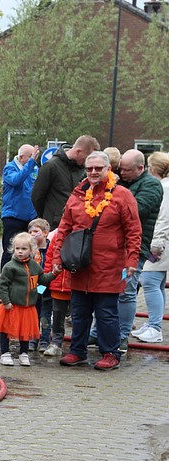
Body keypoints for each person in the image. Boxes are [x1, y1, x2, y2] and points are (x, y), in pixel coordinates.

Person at [51, 151, 141, 371]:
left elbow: (133, 231)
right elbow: (63, 229)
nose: (93, 172)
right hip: (80, 266)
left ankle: (111, 353)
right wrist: (56, 257)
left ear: (108, 169)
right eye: (90, 168)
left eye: (98, 168)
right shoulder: (77, 195)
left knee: (106, 313)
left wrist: (131, 261)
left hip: (109, 266)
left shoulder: (121, 195)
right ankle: (77, 351)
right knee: (80, 312)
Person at [115, 149, 164, 350]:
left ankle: (122, 336)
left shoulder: (152, 185)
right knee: (107, 292)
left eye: (126, 170)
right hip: (112, 246)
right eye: (120, 169)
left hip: (135, 248)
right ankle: (97, 332)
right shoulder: (120, 182)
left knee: (127, 291)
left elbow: (135, 210)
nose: (122, 173)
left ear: (141, 168)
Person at [0, 232, 59, 366]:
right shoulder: (10, 267)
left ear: (31, 250)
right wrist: (6, 302)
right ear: (13, 249)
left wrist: (53, 273)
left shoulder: (35, 266)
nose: (20, 252)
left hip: (28, 306)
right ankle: (5, 353)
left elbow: (43, 280)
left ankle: (24, 353)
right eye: (17, 249)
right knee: (6, 330)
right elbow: (3, 285)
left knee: (25, 332)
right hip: (12, 306)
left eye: (24, 249)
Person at [133, 151, 169, 343]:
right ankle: (154, 324)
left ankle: (155, 326)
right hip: (162, 242)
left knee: (149, 281)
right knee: (157, 283)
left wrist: (156, 243)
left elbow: (163, 219)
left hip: (159, 243)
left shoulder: (164, 188)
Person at [31, 135, 100, 228]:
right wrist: (48, 216)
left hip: (76, 223)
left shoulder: (82, 170)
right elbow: (37, 196)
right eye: (86, 158)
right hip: (55, 224)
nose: (87, 162)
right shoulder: (51, 166)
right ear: (78, 151)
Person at [1, 144, 40, 269]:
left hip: (30, 219)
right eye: (31, 157)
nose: (33, 160)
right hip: (13, 217)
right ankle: (5, 283)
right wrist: (31, 163)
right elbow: (16, 180)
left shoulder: (33, 168)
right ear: (22, 157)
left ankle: (24, 282)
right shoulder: (10, 168)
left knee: (28, 252)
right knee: (10, 251)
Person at [42, 224, 72, 357]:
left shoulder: (84, 234)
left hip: (76, 287)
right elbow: (49, 259)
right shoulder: (56, 237)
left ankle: (77, 346)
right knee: (58, 317)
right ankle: (56, 343)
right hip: (57, 285)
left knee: (78, 318)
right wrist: (46, 280)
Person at [28, 218, 52, 349]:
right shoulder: (29, 251)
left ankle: (45, 340)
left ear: (45, 233)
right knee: (33, 314)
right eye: (30, 231)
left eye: (36, 231)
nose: (32, 234)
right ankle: (32, 339)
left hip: (45, 287)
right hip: (32, 288)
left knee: (45, 315)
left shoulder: (50, 249)